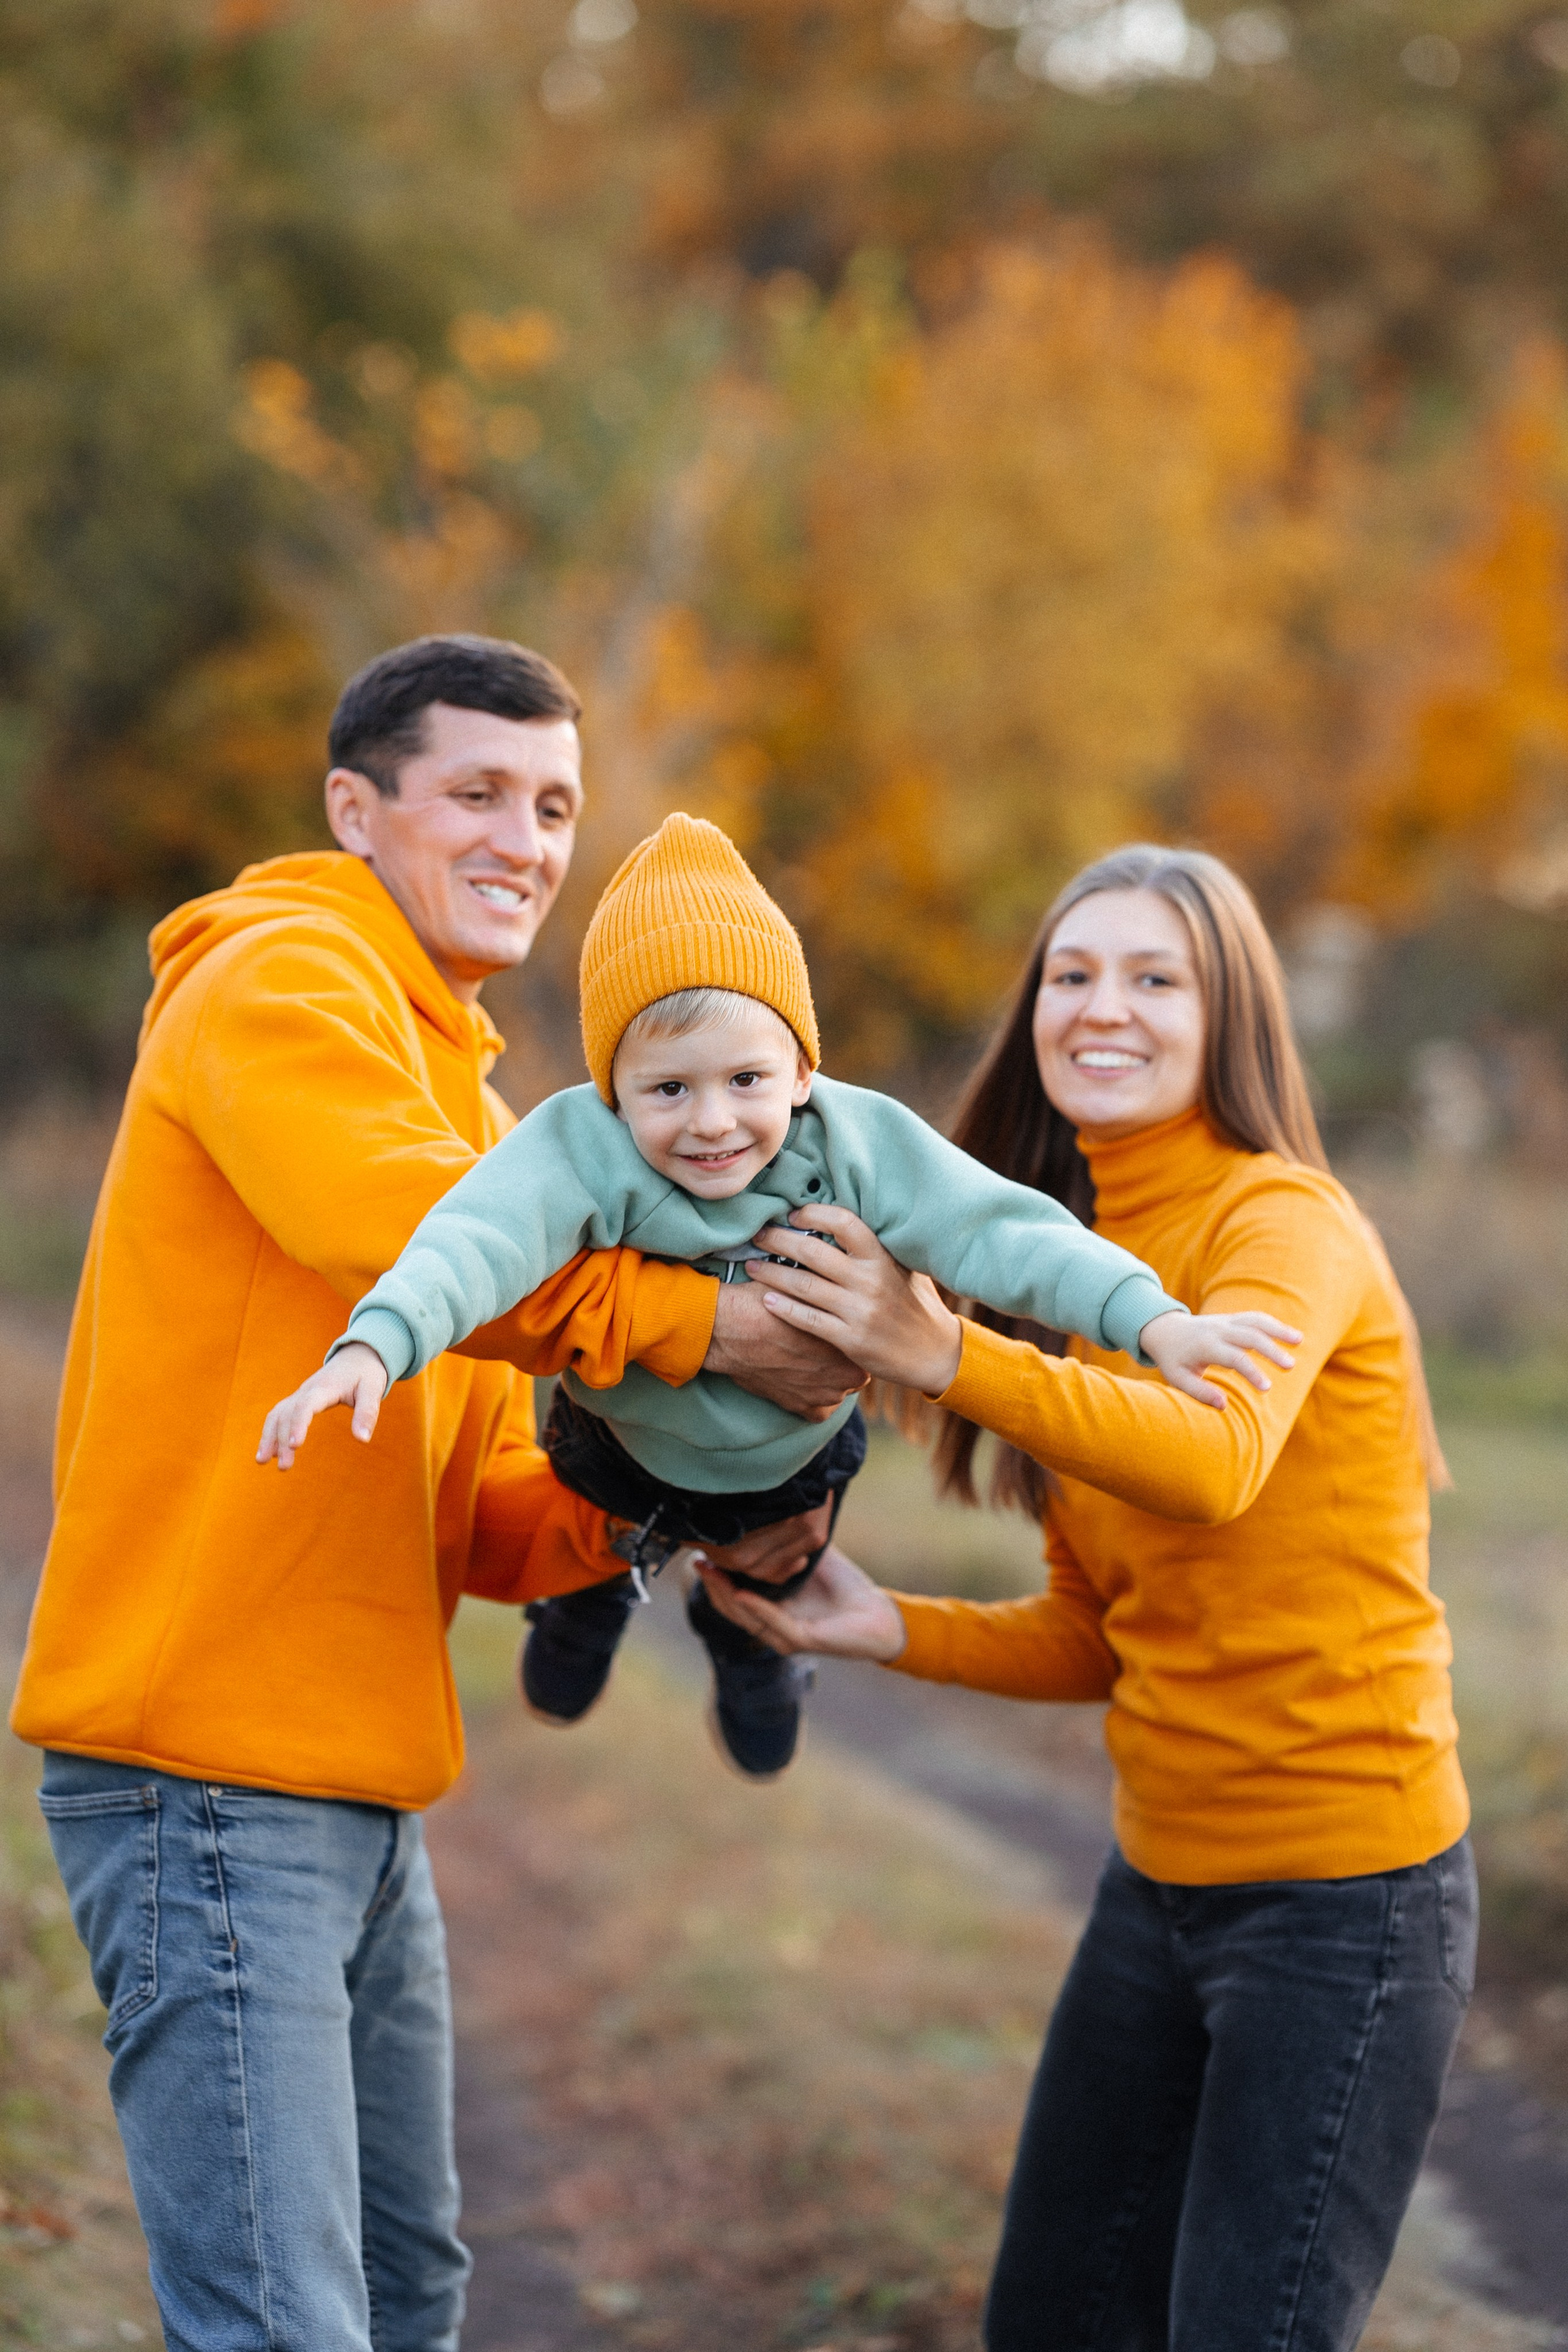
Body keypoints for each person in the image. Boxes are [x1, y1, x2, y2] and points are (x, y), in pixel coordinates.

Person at [9, 636, 861, 2352]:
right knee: (285, 2324)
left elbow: (473, 1513)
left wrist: (681, 1506)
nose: (523, 841)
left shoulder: (471, 1098)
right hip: (206, 1778)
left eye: (551, 805)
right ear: (356, 807)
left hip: (357, 1792)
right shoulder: (278, 979)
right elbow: (410, 1236)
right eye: (478, 793)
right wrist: (720, 1328)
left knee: (409, 2301)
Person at [696, 843, 1473, 2352]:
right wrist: (883, 1624)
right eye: (1071, 974)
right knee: (1048, 2321)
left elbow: (1213, 1459)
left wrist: (944, 1354)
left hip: (1342, 1905)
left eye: (1151, 977)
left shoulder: (1281, 1225)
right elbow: (1098, 1633)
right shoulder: (1068, 1260)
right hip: (1156, 1888)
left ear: (1226, 1017)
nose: (1100, 1007)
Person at [261, 813, 1295, 1781]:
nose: (713, 1123)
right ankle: (585, 1599)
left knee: (775, 1567)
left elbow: (1002, 1231)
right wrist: (377, 1343)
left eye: (745, 1081)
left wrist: (1154, 1321)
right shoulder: (580, 1147)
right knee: (589, 1514)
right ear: (615, 1091)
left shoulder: (855, 1141)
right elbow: (476, 1238)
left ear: (801, 1069)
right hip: (624, 1448)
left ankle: (751, 1636)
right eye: (670, 1090)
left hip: (792, 1464)